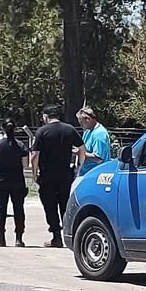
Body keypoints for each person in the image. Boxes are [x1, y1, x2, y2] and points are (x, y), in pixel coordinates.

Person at [30, 104, 86, 247]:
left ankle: (56, 236)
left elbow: (34, 155)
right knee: (65, 205)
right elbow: (82, 150)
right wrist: (78, 167)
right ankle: (69, 235)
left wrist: (34, 174)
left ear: (45, 116)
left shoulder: (42, 132)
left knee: (50, 205)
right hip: (65, 174)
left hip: (47, 174)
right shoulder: (69, 129)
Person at [0, 118, 29, 247]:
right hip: (17, 181)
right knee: (19, 210)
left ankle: (1, 238)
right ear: (15, 129)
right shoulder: (21, 145)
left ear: (2, 128)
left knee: (0, 210)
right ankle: (19, 238)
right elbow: (25, 164)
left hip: (1, 181)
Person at [76, 106, 111, 177]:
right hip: (85, 173)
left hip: (96, 175)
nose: (81, 126)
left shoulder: (99, 134)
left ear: (88, 119)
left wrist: (79, 152)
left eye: (82, 123)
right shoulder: (87, 131)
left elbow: (98, 159)